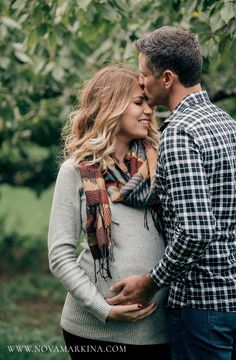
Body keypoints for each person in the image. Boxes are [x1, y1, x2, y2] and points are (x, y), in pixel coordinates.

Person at [106, 26, 236, 360]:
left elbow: (196, 231)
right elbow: (155, 194)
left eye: (143, 74)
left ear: (166, 78)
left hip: (202, 307)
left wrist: (150, 282)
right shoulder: (227, 124)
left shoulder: (180, 133)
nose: (140, 82)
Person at [48, 66, 171, 357]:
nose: (149, 112)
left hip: (158, 328)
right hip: (94, 330)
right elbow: (59, 256)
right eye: (138, 103)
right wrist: (103, 309)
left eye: (149, 104)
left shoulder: (160, 166)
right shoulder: (76, 171)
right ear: (111, 106)